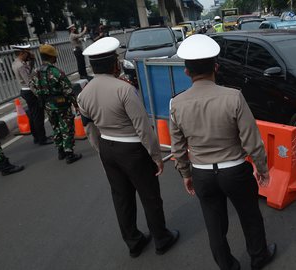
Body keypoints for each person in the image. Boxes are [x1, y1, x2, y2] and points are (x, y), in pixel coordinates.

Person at [170, 34, 276, 270]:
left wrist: (185, 174)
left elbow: (178, 147)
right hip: (235, 170)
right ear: (216, 67)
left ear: (187, 72)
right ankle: (259, 257)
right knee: (250, 215)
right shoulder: (233, 97)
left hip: (202, 173)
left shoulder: (176, 104)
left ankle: (227, 265)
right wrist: (261, 168)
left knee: (214, 224)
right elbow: (252, 141)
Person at [77, 37, 179, 258]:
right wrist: (156, 156)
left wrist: (100, 150)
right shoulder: (124, 89)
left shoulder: (83, 94)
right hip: (132, 149)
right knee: (149, 195)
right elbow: (142, 127)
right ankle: (161, 238)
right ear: (114, 63)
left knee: (121, 197)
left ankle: (134, 241)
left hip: (107, 146)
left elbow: (89, 128)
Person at [30, 44, 82, 164]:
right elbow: (68, 90)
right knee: (66, 127)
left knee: (55, 127)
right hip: (61, 105)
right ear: (51, 57)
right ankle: (69, 154)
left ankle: (60, 151)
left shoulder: (36, 72)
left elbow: (32, 86)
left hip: (48, 105)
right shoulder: (56, 72)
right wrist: (76, 105)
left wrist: (41, 95)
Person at [11, 45, 52, 146]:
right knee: (38, 116)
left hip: (25, 91)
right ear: (21, 53)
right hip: (30, 91)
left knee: (33, 115)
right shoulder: (21, 65)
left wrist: (31, 62)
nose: (28, 54)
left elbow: (29, 72)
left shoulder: (16, 63)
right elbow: (29, 81)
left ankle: (37, 138)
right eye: (26, 53)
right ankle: (42, 139)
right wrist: (38, 94)